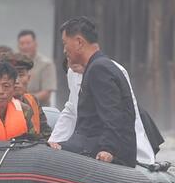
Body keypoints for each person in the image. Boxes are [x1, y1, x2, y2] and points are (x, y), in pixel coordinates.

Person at [49, 17, 137, 167]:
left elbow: (113, 114)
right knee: (48, 147)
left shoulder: (99, 69)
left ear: (78, 42)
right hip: (88, 143)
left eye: (65, 44)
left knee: (48, 155)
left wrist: (108, 148)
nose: (64, 50)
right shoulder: (98, 66)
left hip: (99, 148)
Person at [49, 56, 160, 166]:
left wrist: (115, 150)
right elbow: (71, 110)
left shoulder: (110, 70)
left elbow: (126, 114)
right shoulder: (72, 73)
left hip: (125, 129)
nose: (72, 66)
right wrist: (54, 141)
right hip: (93, 135)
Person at [0, 52, 51, 138]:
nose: (17, 81)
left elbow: (46, 133)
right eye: (11, 76)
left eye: (21, 75)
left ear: (29, 78)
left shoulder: (33, 101)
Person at [17, 30, 56, 106]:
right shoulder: (12, 63)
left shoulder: (46, 64)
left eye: (28, 43)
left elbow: (46, 94)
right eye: (22, 44)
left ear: (35, 44)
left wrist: (23, 100)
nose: (25, 46)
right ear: (18, 46)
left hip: (40, 108)